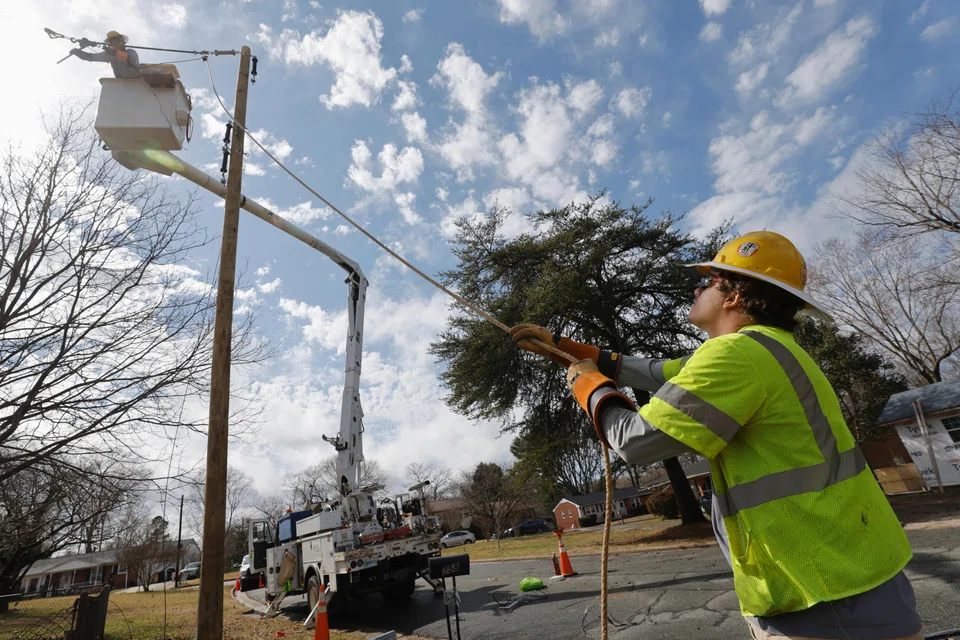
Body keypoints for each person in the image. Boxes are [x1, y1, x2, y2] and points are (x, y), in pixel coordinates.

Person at [511, 231, 921, 640]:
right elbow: (658, 372)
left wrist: (589, 387)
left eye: (708, 280)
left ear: (734, 297)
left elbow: (637, 441)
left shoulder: (736, 356)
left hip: (823, 592)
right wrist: (561, 347)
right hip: (854, 572)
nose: (696, 286)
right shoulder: (769, 348)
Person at [71, 31, 140, 79]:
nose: (115, 43)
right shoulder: (109, 54)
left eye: (116, 40)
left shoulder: (130, 51)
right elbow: (92, 57)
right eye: (112, 42)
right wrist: (78, 53)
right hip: (120, 82)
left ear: (122, 42)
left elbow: (130, 58)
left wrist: (114, 52)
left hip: (135, 78)